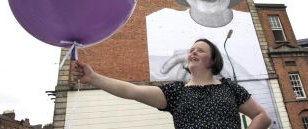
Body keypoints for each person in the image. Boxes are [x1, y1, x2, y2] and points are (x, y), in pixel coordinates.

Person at [72, 38, 271, 129]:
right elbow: (131, 91)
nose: (193, 52)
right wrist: (93, 77)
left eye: (200, 50)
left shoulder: (230, 88)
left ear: (212, 60)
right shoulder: (175, 92)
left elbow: (262, 116)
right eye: (191, 50)